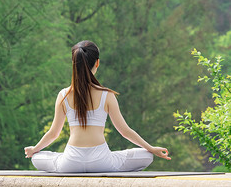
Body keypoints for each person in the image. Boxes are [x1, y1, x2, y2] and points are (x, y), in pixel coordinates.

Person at [24, 40, 171, 173]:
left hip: (70, 163)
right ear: (97, 63)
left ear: (74, 63)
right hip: (102, 162)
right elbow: (125, 131)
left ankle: (42, 154)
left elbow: (53, 134)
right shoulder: (107, 95)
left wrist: (34, 149)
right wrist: (151, 148)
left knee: (38, 157)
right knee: (146, 155)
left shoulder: (63, 95)